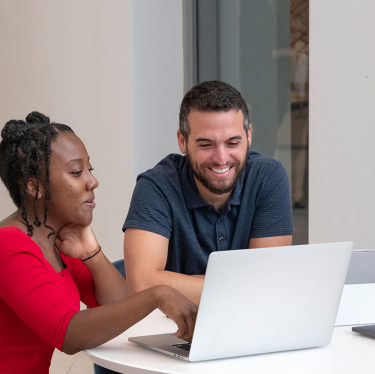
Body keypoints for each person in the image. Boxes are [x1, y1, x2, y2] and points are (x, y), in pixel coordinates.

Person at [0, 112, 198, 374]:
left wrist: (92, 253)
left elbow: (119, 302)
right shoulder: (9, 244)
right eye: (76, 172)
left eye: (89, 169)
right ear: (35, 187)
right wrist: (158, 293)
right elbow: (69, 334)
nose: (93, 181)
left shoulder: (56, 240)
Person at [123, 81, 294, 304]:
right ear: (182, 142)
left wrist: (173, 284)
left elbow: (268, 282)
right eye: (206, 145)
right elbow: (142, 285)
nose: (221, 158)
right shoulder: (156, 186)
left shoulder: (268, 177)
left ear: (249, 136)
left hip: (251, 325)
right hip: (173, 331)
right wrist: (246, 285)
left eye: (232, 143)